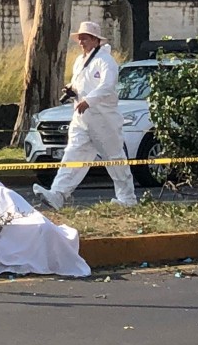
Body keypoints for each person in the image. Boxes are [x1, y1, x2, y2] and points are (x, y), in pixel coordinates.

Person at [33, 21, 137, 210]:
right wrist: (71, 90)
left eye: (85, 38)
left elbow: (107, 86)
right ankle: (58, 194)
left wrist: (89, 100)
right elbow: (78, 83)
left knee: (114, 158)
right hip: (82, 118)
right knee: (72, 155)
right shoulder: (80, 61)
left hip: (103, 119)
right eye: (80, 38)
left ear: (96, 40)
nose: (81, 42)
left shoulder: (106, 61)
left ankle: (127, 199)